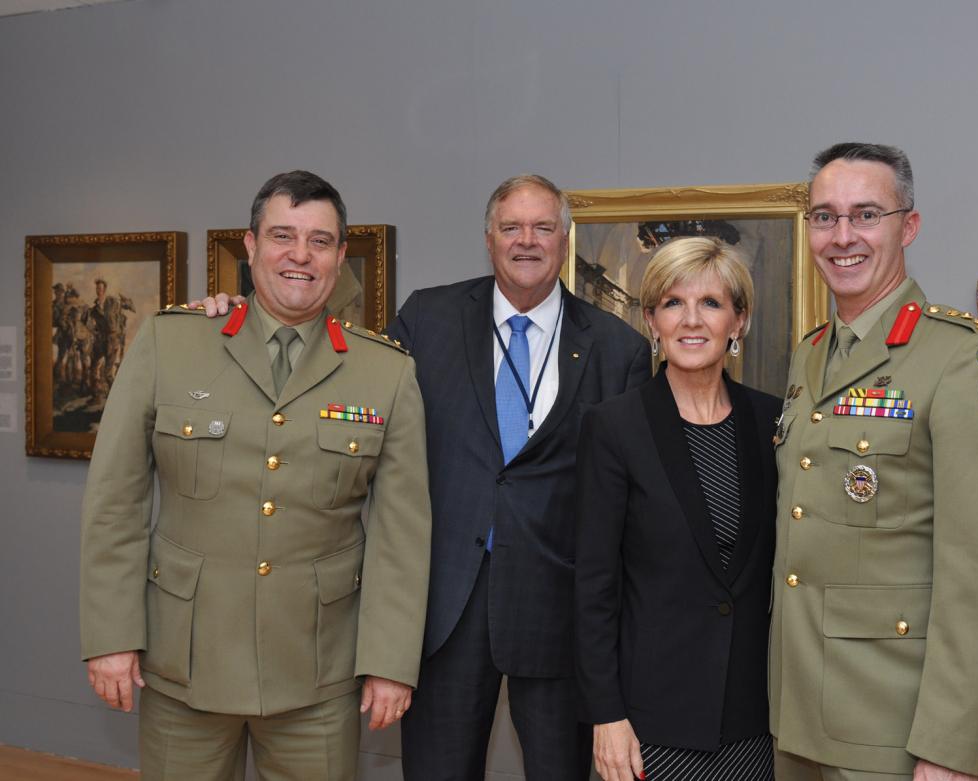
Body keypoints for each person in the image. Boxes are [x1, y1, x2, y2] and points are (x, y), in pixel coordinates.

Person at [79, 170, 432, 780]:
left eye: (320, 241)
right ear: (249, 245)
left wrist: (390, 662)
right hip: (185, 663)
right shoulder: (171, 343)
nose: (300, 256)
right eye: (283, 236)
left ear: (341, 256)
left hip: (318, 671)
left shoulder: (386, 374)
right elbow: (116, 503)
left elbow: (403, 535)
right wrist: (111, 637)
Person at [770, 143, 978, 781]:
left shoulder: (963, 360)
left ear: (907, 226)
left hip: (893, 730)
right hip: (798, 719)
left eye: (866, 215)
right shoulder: (810, 356)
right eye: (824, 217)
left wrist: (950, 749)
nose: (842, 237)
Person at [388, 174, 650, 779]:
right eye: (511, 227)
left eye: (542, 227)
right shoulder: (428, 319)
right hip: (446, 607)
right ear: (488, 239)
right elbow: (366, 412)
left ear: (564, 238)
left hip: (559, 610)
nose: (526, 241)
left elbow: (628, 502)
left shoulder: (618, 348)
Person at [575, 237, 781, 781]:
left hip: (752, 717)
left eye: (711, 303)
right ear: (652, 320)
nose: (692, 321)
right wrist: (607, 716)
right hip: (651, 723)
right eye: (673, 303)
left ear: (739, 322)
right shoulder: (614, 426)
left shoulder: (774, 423)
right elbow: (593, 587)